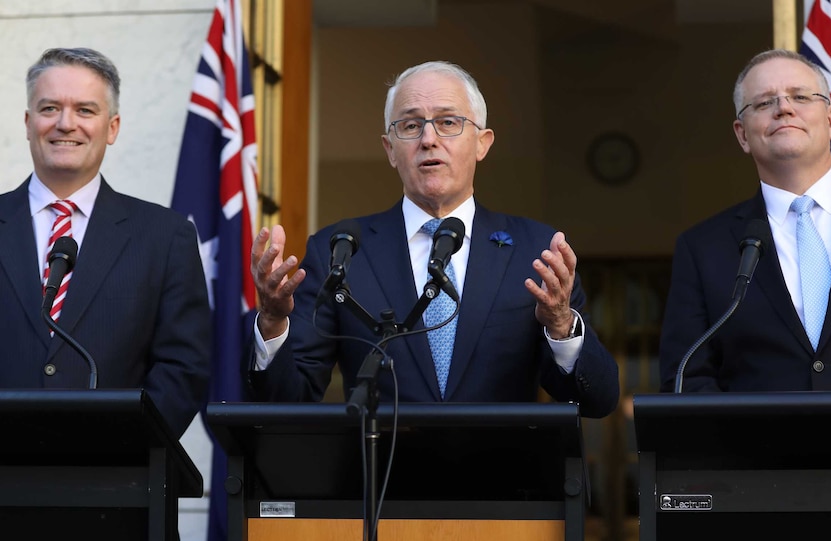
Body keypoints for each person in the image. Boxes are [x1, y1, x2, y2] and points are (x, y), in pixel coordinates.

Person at [247, 61, 619, 417]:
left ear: (482, 143)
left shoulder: (536, 250)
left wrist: (560, 325)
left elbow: (597, 400)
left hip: (506, 478)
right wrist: (273, 323)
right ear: (390, 149)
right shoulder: (341, 250)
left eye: (447, 122)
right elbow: (288, 401)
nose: (428, 139)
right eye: (410, 126)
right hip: (386, 477)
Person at [0, 47, 210, 436]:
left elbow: (184, 369)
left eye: (84, 110)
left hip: (114, 481)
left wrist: (120, 451)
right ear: (28, 123)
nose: (65, 123)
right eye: (49, 109)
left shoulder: (165, 236)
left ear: (111, 127)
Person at [659, 48, 831, 393]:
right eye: (764, 103)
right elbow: (688, 378)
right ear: (742, 134)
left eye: (800, 96)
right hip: (756, 446)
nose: (784, 108)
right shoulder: (703, 247)